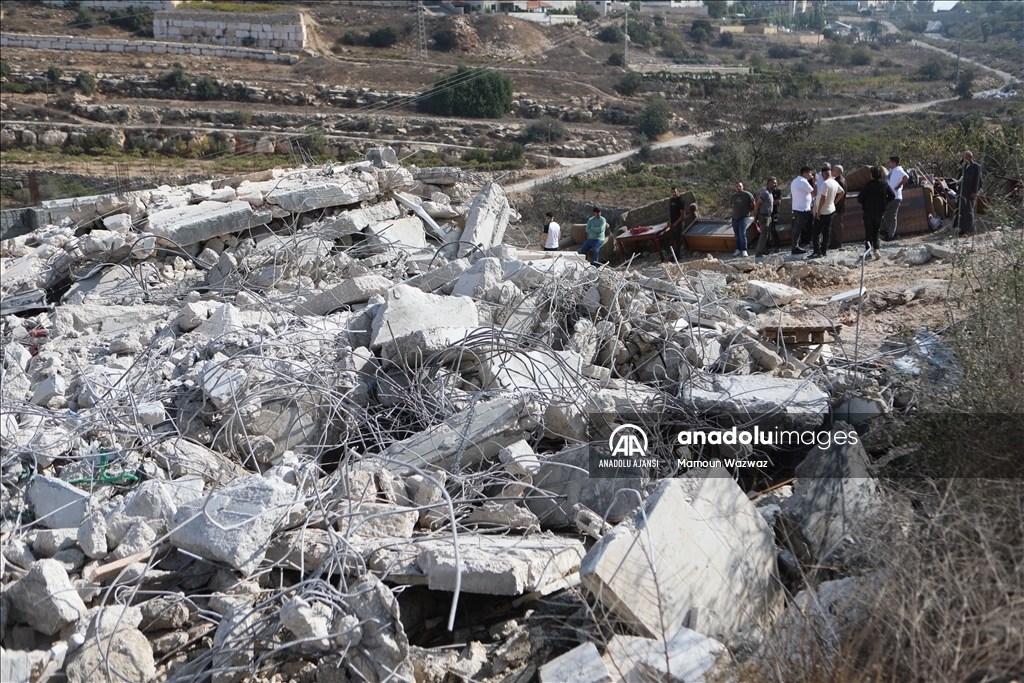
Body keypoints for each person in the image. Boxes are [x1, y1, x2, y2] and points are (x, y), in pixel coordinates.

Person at [857, 165, 895, 260]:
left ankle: (868, 252)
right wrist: (885, 201)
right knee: (876, 231)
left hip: (868, 211)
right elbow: (892, 196)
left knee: (868, 232)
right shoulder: (884, 184)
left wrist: (866, 202)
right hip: (880, 211)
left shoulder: (868, 185)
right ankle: (877, 249)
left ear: (872, 175)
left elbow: (860, 198)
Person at [810, 166, 843, 259]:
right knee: (826, 231)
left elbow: (823, 198)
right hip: (831, 209)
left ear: (824, 175)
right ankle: (824, 250)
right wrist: (834, 202)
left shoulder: (825, 184)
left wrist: (819, 210)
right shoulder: (834, 182)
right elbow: (842, 192)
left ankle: (817, 251)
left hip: (823, 211)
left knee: (816, 231)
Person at [883, 155, 908, 240]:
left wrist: (899, 186)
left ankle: (891, 235)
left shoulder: (898, 171)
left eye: (889, 161)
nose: (888, 163)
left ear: (894, 163)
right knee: (882, 214)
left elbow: (906, 177)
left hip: (895, 197)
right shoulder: (891, 170)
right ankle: (887, 231)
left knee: (892, 216)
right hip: (888, 196)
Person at [790, 166, 814, 255]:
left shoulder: (794, 181)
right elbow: (814, 192)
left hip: (796, 207)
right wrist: (814, 182)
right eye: (810, 173)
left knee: (797, 227)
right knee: (798, 227)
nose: (811, 175)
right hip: (802, 209)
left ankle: (795, 245)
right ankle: (795, 247)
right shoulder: (804, 182)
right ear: (805, 173)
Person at [957, 150, 982, 237]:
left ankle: (969, 230)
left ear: (971, 157)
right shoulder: (964, 167)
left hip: (970, 192)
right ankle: (963, 229)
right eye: (964, 157)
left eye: (966, 157)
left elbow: (979, 181)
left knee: (969, 211)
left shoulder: (976, 167)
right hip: (963, 191)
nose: (965, 159)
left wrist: (975, 191)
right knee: (962, 210)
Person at [753, 177, 779, 258]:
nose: (774, 184)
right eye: (772, 183)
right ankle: (758, 252)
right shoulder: (765, 193)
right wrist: (756, 216)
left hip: (768, 216)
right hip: (764, 216)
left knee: (766, 234)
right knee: (764, 234)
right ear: (768, 184)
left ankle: (762, 249)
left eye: (775, 183)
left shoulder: (770, 193)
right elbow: (757, 204)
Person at [730, 181, 755, 257]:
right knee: (736, 234)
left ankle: (744, 250)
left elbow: (753, 205)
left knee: (742, 234)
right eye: (737, 186)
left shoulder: (747, 195)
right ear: (735, 188)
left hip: (744, 217)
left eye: (740, 186)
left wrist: (749, 211)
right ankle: (738, 249)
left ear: (742, 187)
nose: (738, 188)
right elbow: (732, 205)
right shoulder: (733, 196)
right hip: (735, 218)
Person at [829, 164, 846, 250]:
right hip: (836, 207)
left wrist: (836, 209)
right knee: (834, 225)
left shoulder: (840, 181)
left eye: (834, 170)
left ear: (838, 172)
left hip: (837, 208)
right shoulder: (838, 180)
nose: (832, 171)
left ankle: (837, 242)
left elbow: (840, 197)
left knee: (837, 225)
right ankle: (834, 242)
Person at [668, 187, 687, 258]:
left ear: (678, 192)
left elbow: (683, 215)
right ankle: (675, 253)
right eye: (672, 192)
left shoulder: (681, 201)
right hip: (673, 223)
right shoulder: (672, 200)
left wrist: (676, 223)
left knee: (678, 240)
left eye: (675, 192)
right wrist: (670, 221)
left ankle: (677, 255)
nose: (674, 193)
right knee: (674, 239)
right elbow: (671, 212)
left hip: (678, 224)